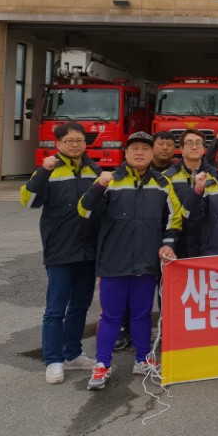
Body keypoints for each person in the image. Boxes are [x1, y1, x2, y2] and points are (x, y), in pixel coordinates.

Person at [77, 131, 184, 391]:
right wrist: (99, 186)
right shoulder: (110, 180)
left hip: (146, 263)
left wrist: (168, 243)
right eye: (134, 148)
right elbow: (84, 210)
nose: (139, 153)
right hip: (113, 262)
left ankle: (143, 360)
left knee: (141, 315)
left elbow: (175, 218)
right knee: (110, 317)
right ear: (125, 153)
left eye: (145, 149)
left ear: (151, 154)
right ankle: (102, 364)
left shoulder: (162, 183)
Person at [21, 122, 101, 385]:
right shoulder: (50, 169)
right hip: (60, 250)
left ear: (85, 143)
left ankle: (73, 354)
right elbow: (29, 201)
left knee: (80, 306)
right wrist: (43, 171)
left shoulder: (94, 170)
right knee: (55, 309)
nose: (75, 145)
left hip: (88, 251)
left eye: (79, 140)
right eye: (69, 141)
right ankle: (54, 359)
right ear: (58, 144)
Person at [163, 128, 216, 258]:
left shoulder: (216, 176)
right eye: (189, 143)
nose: (194, 147)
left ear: (204, 149)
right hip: (177, 244)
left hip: (207, 244)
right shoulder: (167, 177)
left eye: (198, 143)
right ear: (181, 149)